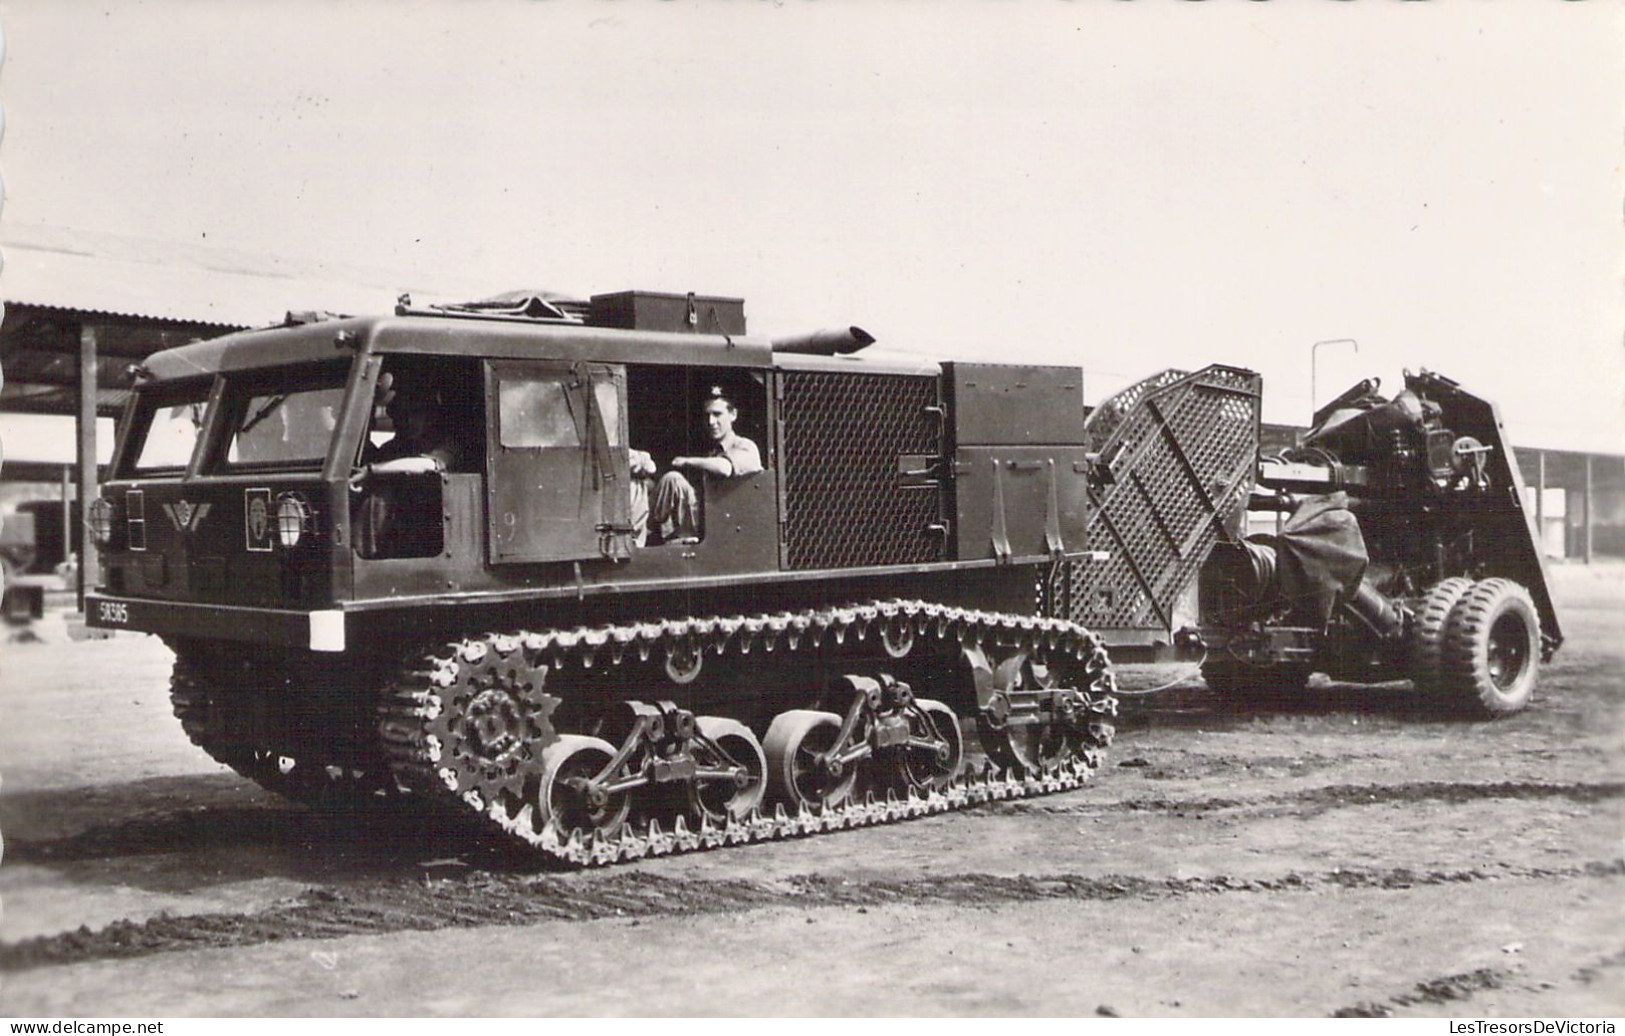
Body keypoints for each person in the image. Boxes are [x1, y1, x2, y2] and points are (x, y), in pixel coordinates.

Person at [646, 387, 762, 543]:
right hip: (706, 519)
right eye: (707, 415)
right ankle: (647, 532)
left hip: (732, 526)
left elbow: (725, 468)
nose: (711, 422)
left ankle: (646, 534)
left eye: (717, 414)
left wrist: (688, 461)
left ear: (733, 415)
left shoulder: (745, 446)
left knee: (672, 479)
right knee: (662, 482)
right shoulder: (710, 451)